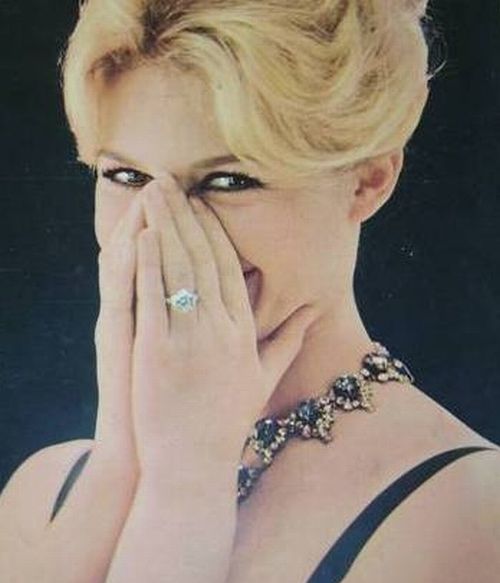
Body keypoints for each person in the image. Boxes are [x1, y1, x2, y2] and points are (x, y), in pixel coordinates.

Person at [0, 0, 499, 581]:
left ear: (368, 180)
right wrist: (123, 463)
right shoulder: (40, 495)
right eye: (125, 176)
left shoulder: (466, 514)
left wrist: (186, 487)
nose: (159, 230)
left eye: (229, 180)